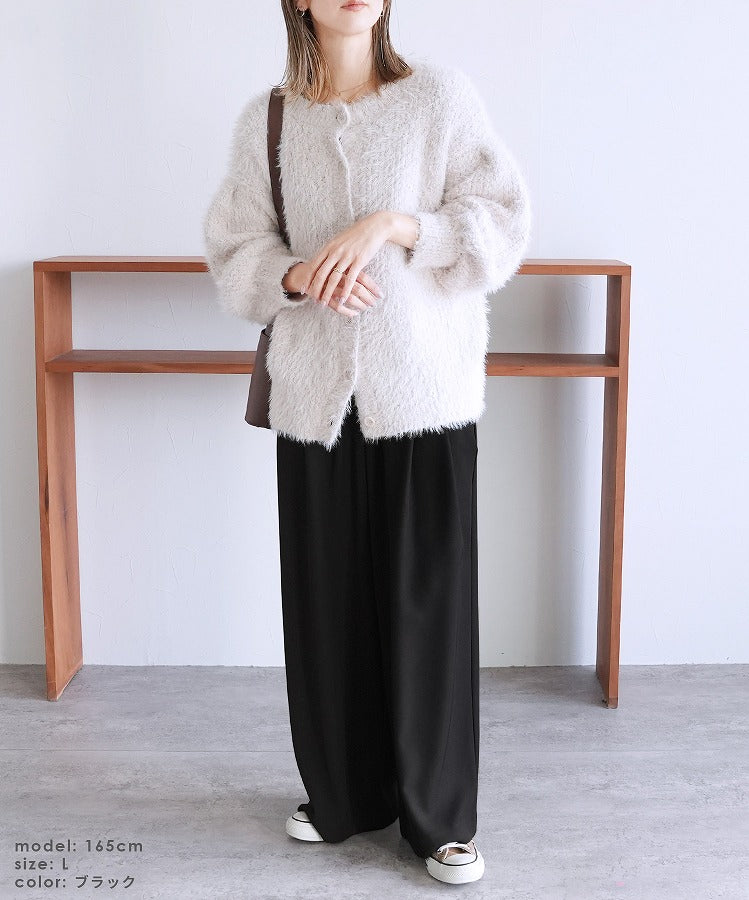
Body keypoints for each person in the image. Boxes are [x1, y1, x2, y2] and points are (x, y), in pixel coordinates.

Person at [202, 0, 531, 885]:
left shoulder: (440, 98)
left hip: (424, 395)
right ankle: (343, 793)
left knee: (430, 608)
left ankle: (440, 819)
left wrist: (396, 225)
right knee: (325, 603)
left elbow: (503, 222)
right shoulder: (268, 119)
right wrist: (296, 273)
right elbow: (234, 249)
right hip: (316, 396)